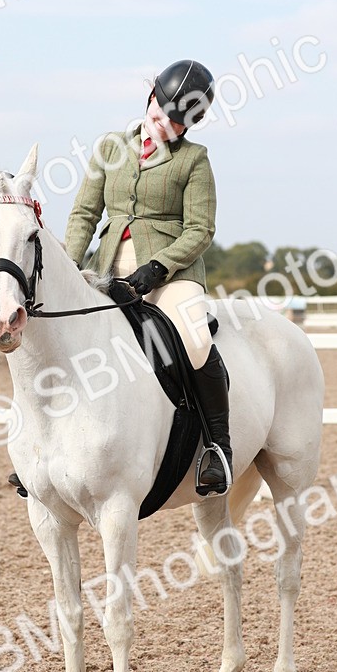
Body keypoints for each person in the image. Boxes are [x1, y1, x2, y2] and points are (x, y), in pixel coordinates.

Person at [64, 59, 232, 496]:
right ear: (149, 98)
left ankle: (217, 447)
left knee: (195, 339)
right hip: (106, 266)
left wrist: (157, 268)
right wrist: (68, 266)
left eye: (177, 126)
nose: (164, 128)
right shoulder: (109, 147)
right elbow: (85, 213)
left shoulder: (195, 160)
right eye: (159, 116)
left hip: (170, 273)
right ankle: (46, 450)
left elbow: (201, 229)